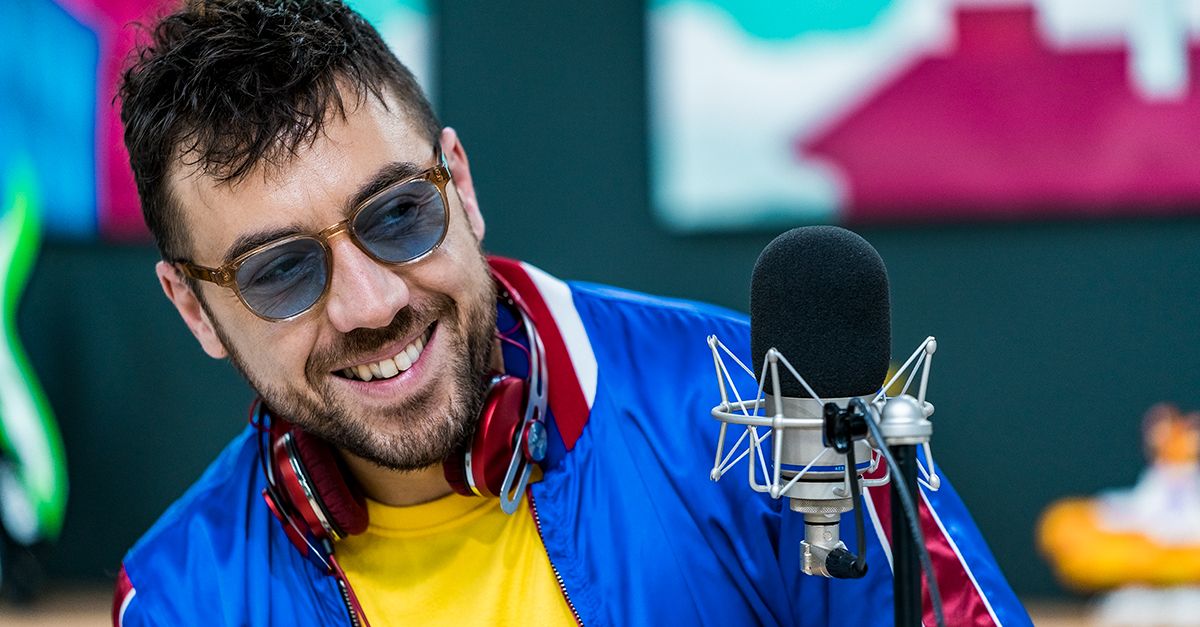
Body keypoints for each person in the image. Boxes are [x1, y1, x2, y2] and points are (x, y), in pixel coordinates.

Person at [112, 1, 1030, 625]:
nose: (373, 301)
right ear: (194, 309)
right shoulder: (179, 600)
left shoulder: (765, 414)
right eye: (280, 272)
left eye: (397, 215)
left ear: (460, 185)